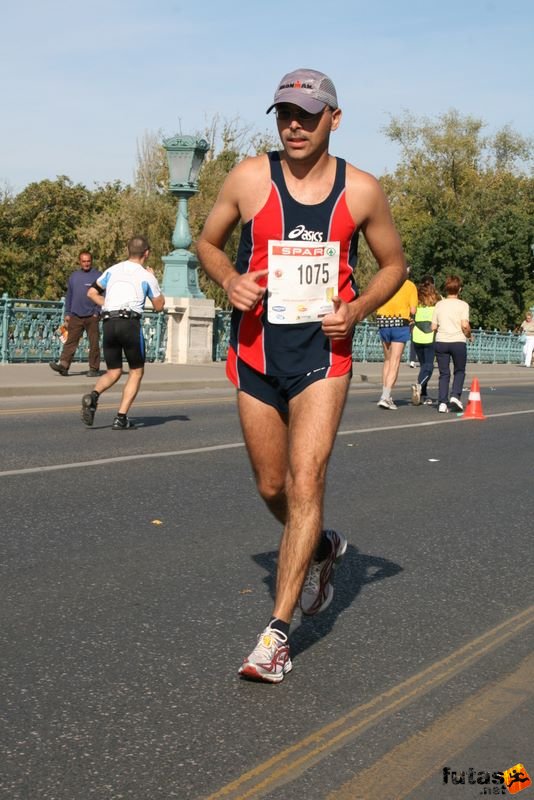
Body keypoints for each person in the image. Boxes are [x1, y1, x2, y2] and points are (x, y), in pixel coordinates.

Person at [196, 67, 406, 683]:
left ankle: (277, 634)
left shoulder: (361, 190)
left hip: (324, 353)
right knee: (271, 487)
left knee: (305, 478)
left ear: (333, 120)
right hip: (257, 351)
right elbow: (209, 242)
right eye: (285, 113)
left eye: (307, 116)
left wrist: (358, 309)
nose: (294, 125)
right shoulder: (248, 176)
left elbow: (393, 264)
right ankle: (320, 546)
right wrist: (228, 279)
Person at [80, 236, 165, 430]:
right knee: (136, 371)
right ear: (147, 253)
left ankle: (93, 396)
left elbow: (91, 292)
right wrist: (155, 280)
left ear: (128, 251)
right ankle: (121, 417)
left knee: (114, 370)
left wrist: (108, 304)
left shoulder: (112, 270)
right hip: (129, 324)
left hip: (109, 322)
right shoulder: (147, 275)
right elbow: (159, 306)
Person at [49, 251, 102, 376]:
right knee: (70, 342)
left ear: (91, 261)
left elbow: (103, 295)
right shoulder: (74, 276)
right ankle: (64, 366)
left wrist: (97, 312)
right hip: (75, 315)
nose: (86, 263)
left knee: (93, 343)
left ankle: (94, 368)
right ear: (80, 262)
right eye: (83, 261)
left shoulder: (99, 276)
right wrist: (68, 312)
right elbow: (69, 296)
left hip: (92, 315)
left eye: (88, 261)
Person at [375, 271, 417, 409]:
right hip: (400, 322)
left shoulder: (386, 282)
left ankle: (386, 394)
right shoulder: (410, 285)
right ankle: (385, 397)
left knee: (387, 360)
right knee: (395, 361)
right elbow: (413, 310)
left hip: (383, 322)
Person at [431, 275, 472, 413]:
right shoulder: (463, 305)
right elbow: (465, 325)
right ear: (459, 289)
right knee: (459, 371)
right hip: (458, 342)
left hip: (441, 342)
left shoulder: (439, 304)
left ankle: (442, 403)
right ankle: (455, 396)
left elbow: (433, 327)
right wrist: (469, 335)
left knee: (444, 373)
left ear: (446, 288)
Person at [411, 277, 440, 406]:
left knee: (424, 366)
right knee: (429, 366)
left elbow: (411, 313)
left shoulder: (416, 297)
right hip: (431, 336)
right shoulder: (437, 299)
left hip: (417, 335)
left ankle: (423, 394)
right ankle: (419, 385)